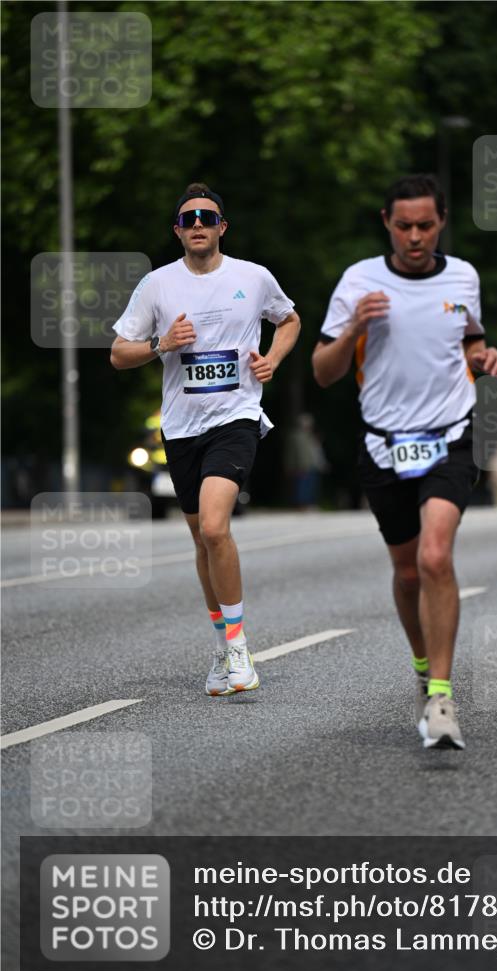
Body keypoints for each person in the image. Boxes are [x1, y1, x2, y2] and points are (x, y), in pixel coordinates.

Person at [313, 174, 497, 750]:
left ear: (442, 221)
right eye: (404, 226)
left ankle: (442, 697)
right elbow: (323, 373)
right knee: (405, 573)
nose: (415, 236)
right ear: (386, 223)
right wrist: (355, 326)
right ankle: (423, 664)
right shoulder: (359, 281)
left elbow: (469, 340)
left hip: (451, 434)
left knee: (434, 555)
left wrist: (485, 354)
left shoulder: (463, 276)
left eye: (426, 225)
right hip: (383, 443)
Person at [111, 182, 300, 695]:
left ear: (222, 228)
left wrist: (274, 359)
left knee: (216, 528)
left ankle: (238, 650)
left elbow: (289, 319)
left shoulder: (253, 277)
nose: (198, 224)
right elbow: (118, 353)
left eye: (207, 217)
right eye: (188, 218)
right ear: (178, 230)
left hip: (236, 417)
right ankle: (222, 645)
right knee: (200, 538)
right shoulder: (157, 285)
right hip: (181, 426)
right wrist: (160, 343)